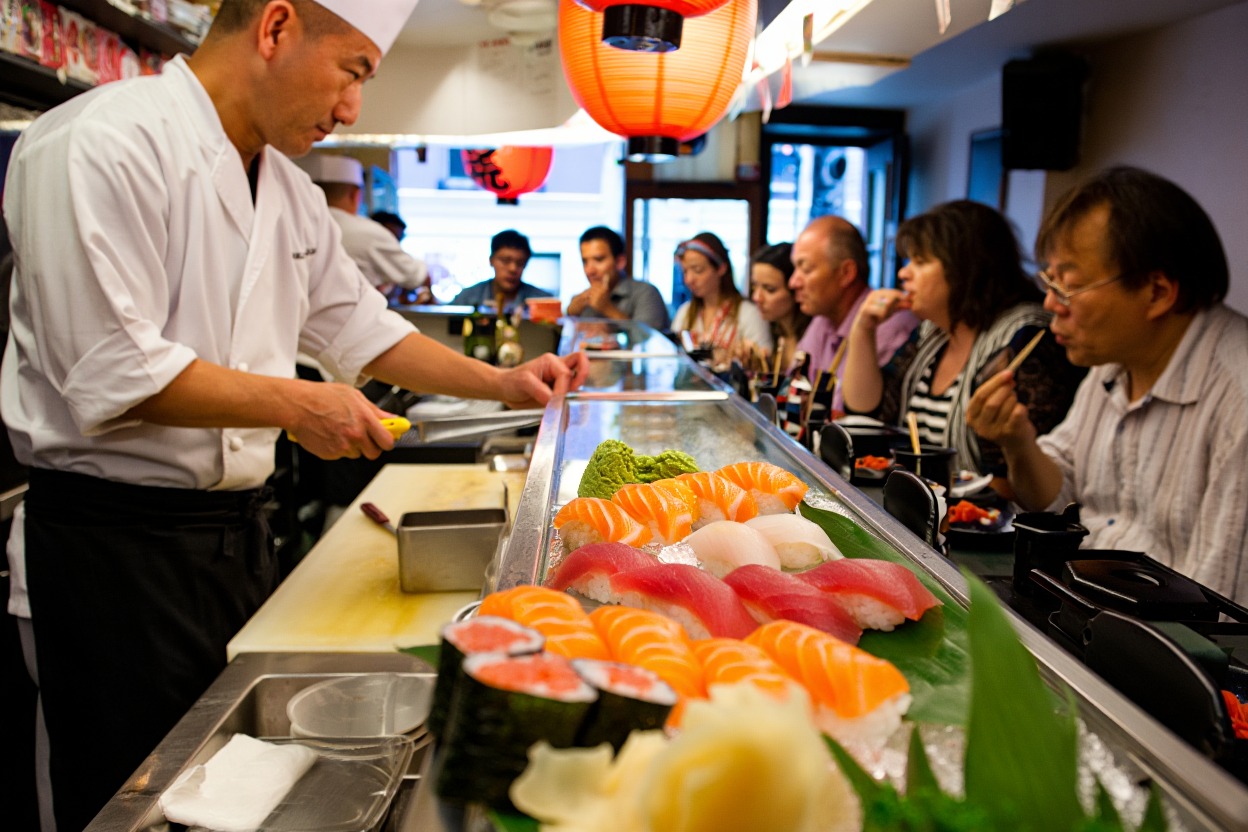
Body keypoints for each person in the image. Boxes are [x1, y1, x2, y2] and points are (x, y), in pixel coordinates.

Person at [0, 2, 588, 829]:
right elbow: (110, 370)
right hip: (111, 555)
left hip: (235, 539)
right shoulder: (96, 142)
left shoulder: (286, 189)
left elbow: (363, 329)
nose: (352, 108)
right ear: (275, 27)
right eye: (353, 71)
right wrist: (297, 404)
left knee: (226, 793)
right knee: (124, 798)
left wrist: (505, 383)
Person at [967, 167, 1248, 604]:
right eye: (1049, 281)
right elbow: (1057, 496)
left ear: (1157, 292)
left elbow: (1220, 608)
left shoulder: (1237, 399)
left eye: (1069, 285)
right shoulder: (1113, 362)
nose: (1050, 303)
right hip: (1082, 604)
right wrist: (1017, 443)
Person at [840, 200, 1085, 478]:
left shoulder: (1025, 337)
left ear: (964, 268)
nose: (903, 273)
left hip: (983, 505)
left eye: (920, 262)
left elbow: (1012, 470)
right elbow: (868, 415)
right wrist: (863, 329)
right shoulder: (934, 333)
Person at [790, 216, 918, 413]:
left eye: (805, 269)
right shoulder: (823, 319)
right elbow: (794, 391)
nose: (793, 282)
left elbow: (851, 414)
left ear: (846, 273)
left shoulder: (887, 322)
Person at [298, 153, 431, 302]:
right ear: (355, 195)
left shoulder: (293, 225)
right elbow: (416, 276)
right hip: (353, 314)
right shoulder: (370, 233)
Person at [671, 232, 772, 355]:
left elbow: (763, 360)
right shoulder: (685, 312)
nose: (689, 279)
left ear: (721, 268)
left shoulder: (748, 314)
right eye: (685, 271)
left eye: (698, 270)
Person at [567, 226, 670, 331]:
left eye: (599, 260)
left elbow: (648, 338)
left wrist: (607, 309)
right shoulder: (582, 301)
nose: (589, 270)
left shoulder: (646, 293)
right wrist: (570, 315)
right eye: (585, 261)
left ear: (620, 262)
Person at [451, 229, 552, 311]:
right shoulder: (466, 298)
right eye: (505, 261)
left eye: (520, 263)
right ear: (491, 260)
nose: (513, 269)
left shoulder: (543, 302)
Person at [746, 242, 809, 370]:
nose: (757, 297)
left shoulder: (813, 336)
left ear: (795, 289)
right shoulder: (770, 333)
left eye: (770, 289)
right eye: (754, 286)